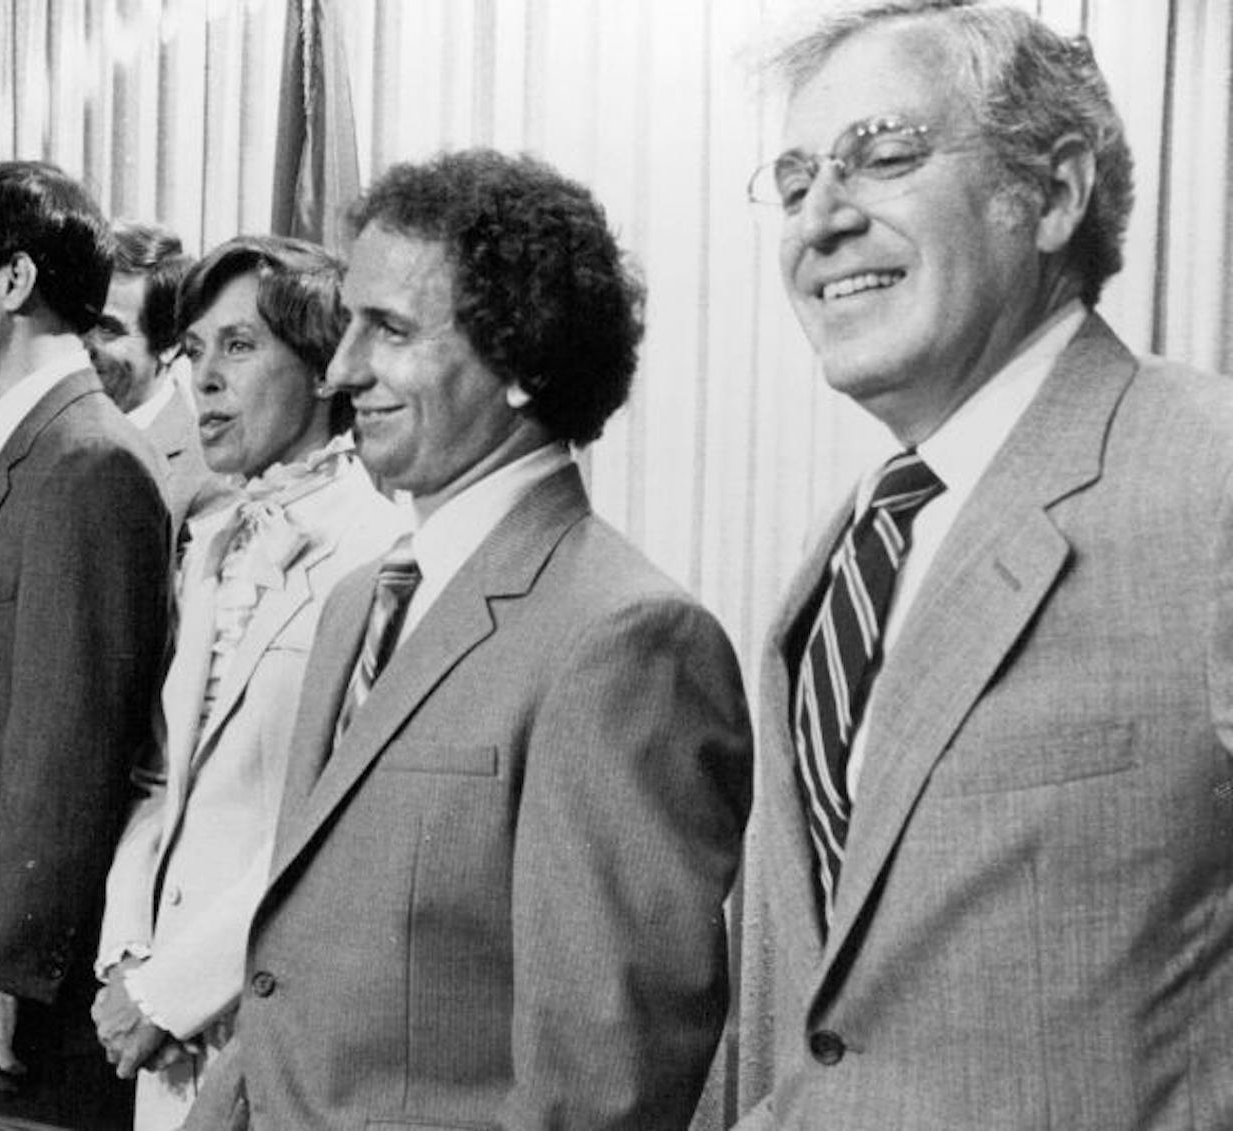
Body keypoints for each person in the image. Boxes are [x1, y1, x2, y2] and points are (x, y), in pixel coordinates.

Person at [731, 3, 1233, 1126]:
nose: (819, 220)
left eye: (885, 157)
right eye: (797, 177)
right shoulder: (847, 551)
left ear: (1053, 194)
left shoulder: (1214, 482)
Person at [186, 150, 753, 1130]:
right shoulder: (357, 604)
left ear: (526, 361)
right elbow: (296, 966)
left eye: (391, 329)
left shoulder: (627, 640)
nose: (340, 367)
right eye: (350, 323)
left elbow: (597, 1086)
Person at [93, 235, 405, 1130]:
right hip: (162, 1027)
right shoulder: (212, 544)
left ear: (322, 368)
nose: (205, 380)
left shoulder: (383, 553)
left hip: (287, 1026)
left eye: (239, 345)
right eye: (193, 351)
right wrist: (129, 954)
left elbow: (344, 829)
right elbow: (162, 777)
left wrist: (174, 990)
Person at [0, 160, 171, 1129]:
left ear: (13, 281)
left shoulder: (86, 460)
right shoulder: (26, 451)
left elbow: (72, 751)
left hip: (17, 990)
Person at [87, 221, 233, 541]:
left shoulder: (211, 479)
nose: (82, 344)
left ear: (170, 345)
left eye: (108, 328)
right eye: (79, 320)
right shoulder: (44, 435)